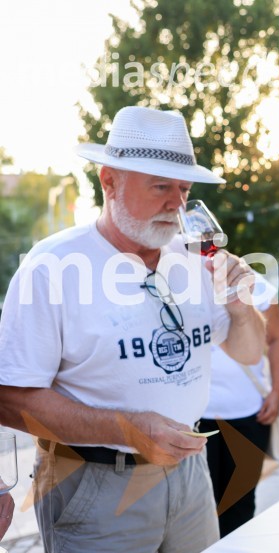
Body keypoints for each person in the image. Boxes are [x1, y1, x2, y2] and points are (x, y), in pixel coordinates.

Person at [0, 106, 265, 552]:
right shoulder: (52, 266)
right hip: (94, 484)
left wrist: (241, 309)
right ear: (109, 181)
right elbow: (9, 399)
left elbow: (248, 352)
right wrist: (126, 429)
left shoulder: (194, 258)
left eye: (183, 189)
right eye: (160, 186)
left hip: (191, 477)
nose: (176, 204)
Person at [199, 277, 279, 537]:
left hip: (250, 414)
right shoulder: (179, 280)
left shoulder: (251, 281)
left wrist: (277, 390)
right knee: (202, 509)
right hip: (198, 420)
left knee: (240, 506)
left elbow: (278, 338)